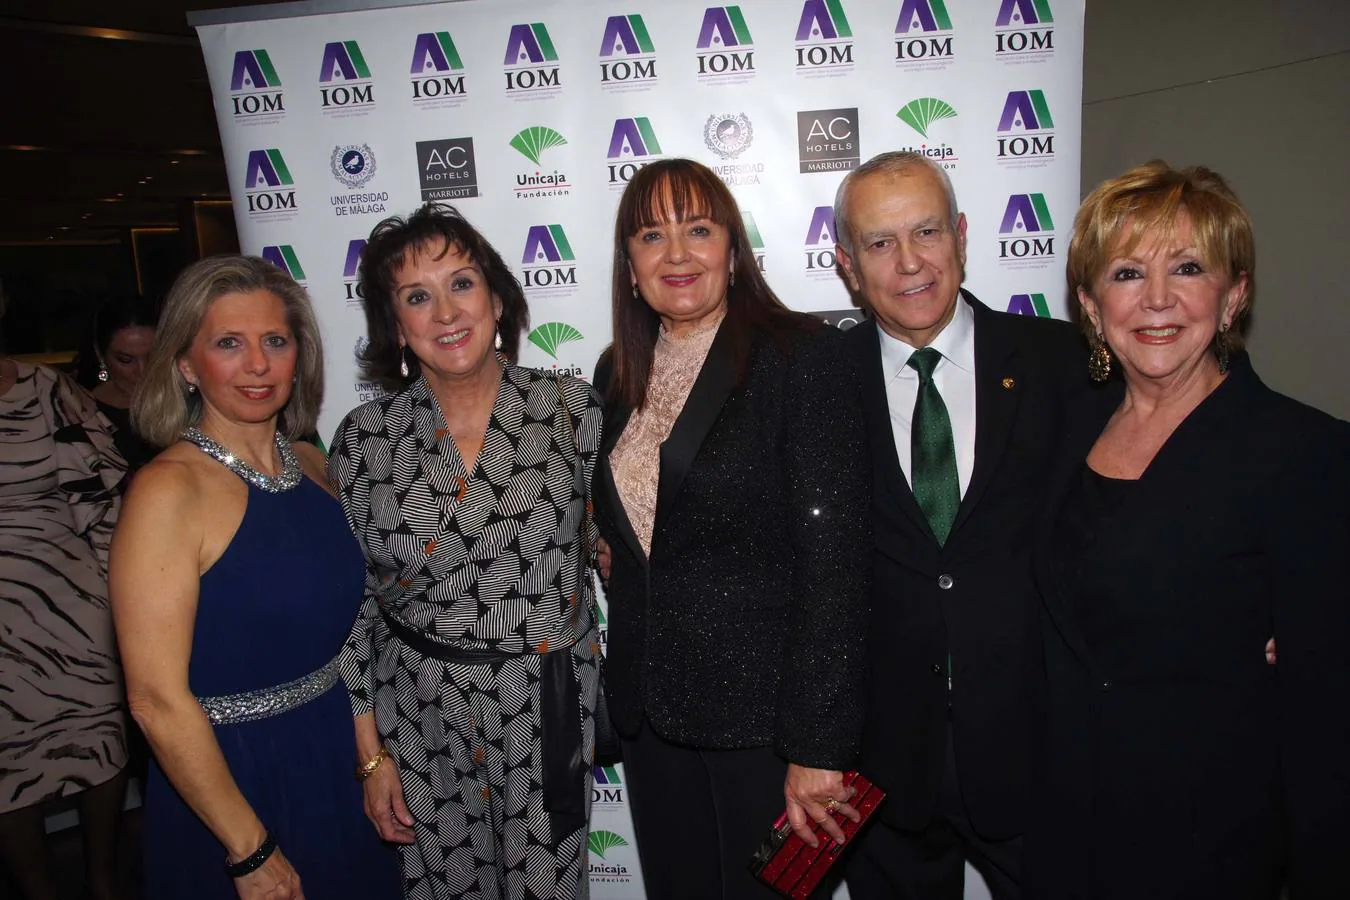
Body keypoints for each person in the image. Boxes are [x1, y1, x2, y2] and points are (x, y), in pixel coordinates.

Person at [1025, 161, 1350, 900]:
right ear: (1089, 303)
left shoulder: (1302, 451)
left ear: (1233, 296)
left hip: (1211, 843)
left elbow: (1327, 715)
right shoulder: (1066, 431)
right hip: (1064, 834)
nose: (1159, 300)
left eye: (1189, 267)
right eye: (1128, 273)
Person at [592, 158, 871, 900]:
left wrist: (818, 748)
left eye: (699, 229)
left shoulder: (799, 357)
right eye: (652, 235)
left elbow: (836, 562)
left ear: (733, 251)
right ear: (629, 266)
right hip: (654, 720)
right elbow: (642, 526)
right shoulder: (616, 373)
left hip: (767, 727)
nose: (676, 253)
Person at [329, 202, 602, 900]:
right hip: (418, 716)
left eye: (462, 283)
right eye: (417, 296)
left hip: (543, 711)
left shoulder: (573, 411)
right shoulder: (364, 438)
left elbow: (618, 553)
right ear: (396, 324)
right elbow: (354, 605)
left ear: (497, 296)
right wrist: (370, 758)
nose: (446, 311)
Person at [833, 151, 1085, 900]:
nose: (910, 262)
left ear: (964, 236)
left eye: (927, 231)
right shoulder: (815, 382)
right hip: (881, 763)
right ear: (848, 264)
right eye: (880, 243)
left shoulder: (1065, 363)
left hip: (1039, 748)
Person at [109, 256, 400, 899]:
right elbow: (155, 699)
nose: (259, 364)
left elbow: (348, 635)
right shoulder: (167, 491)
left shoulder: (312, 465)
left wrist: (370, 757)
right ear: (186, 364)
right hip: (230, 781)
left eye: (275, 341)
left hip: (330, 758)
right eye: (227, 344)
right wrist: (249, 848)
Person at [0, 297, 129, 900]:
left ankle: (103, 877)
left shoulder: (45, 387)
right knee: (6, 766)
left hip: (73, 596)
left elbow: (103, 498)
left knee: (101, 741)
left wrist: (123, 595)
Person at [78, 293, 160, 472]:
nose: (142, 371)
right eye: (125, 360)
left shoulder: (192, 403)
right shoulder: (81, 416)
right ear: (101, 354)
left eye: (153, 357)